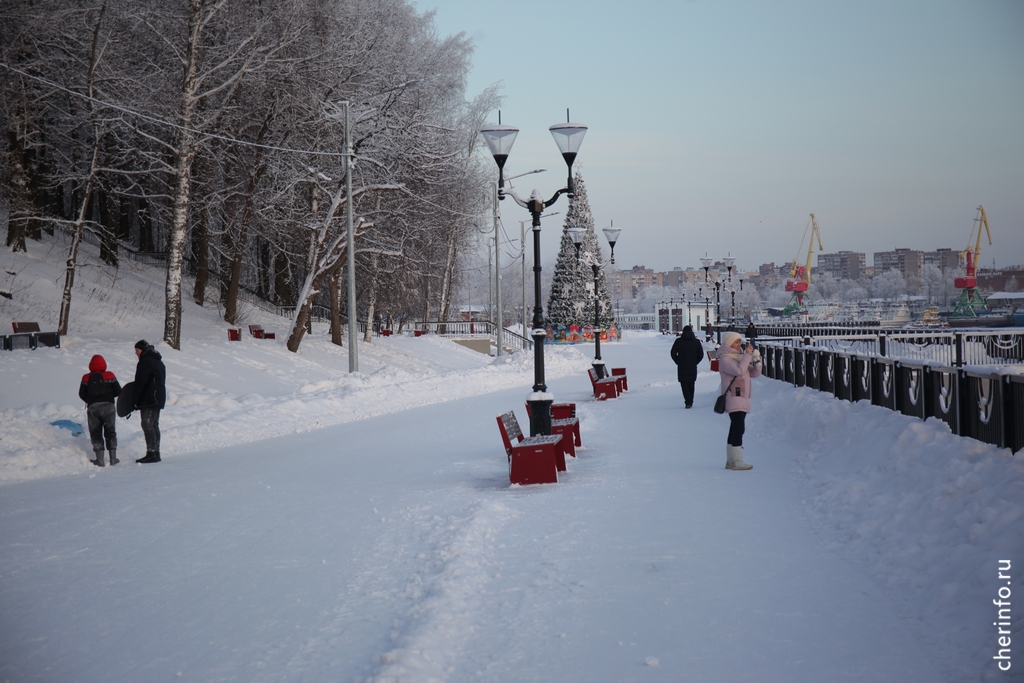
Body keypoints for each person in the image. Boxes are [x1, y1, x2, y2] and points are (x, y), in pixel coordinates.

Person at [716, 331, 762, 470]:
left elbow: (754, 373)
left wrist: (757, 360)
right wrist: (747, 355)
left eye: (739, 342)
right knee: (738, 427)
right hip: (733, 397)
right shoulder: (725, 359)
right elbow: (739, 371)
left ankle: (731, 461)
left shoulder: (738, 357)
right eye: (736, 342)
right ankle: (737, 460)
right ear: (729, 343)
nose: (739, 345)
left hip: (742, 397)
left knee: (735, 428)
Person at [79, 354, 121, 466]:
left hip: (93, 408)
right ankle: (113, 459)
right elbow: (118, 391)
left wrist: (91, 400)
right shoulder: (110, 375)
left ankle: (100, 459)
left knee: (95, 432)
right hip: (109, 407)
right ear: (104, 364)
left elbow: (81, 394)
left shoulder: (86, 378)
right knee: (110, 431)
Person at [132, 340, 166, 464]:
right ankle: (155, 452)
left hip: (150, 398)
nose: (136, 353)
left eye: (137, 350)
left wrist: (135, 400)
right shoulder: (158, 360)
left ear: (143, 350)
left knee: (147, 424)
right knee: (154, 424)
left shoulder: (145, 362)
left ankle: (151, 452)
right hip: (159, 396)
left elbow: (140, 382)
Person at [670, 325, 705, 408]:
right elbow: (701, 354)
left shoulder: (678, 341)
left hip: (682, 366)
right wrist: (695, 362)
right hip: (692, 365)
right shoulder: (696, 342)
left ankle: (687, 401)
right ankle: (691, 401)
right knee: (691, 383)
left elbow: (673, 353)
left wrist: (678, 361)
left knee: (684, 384)